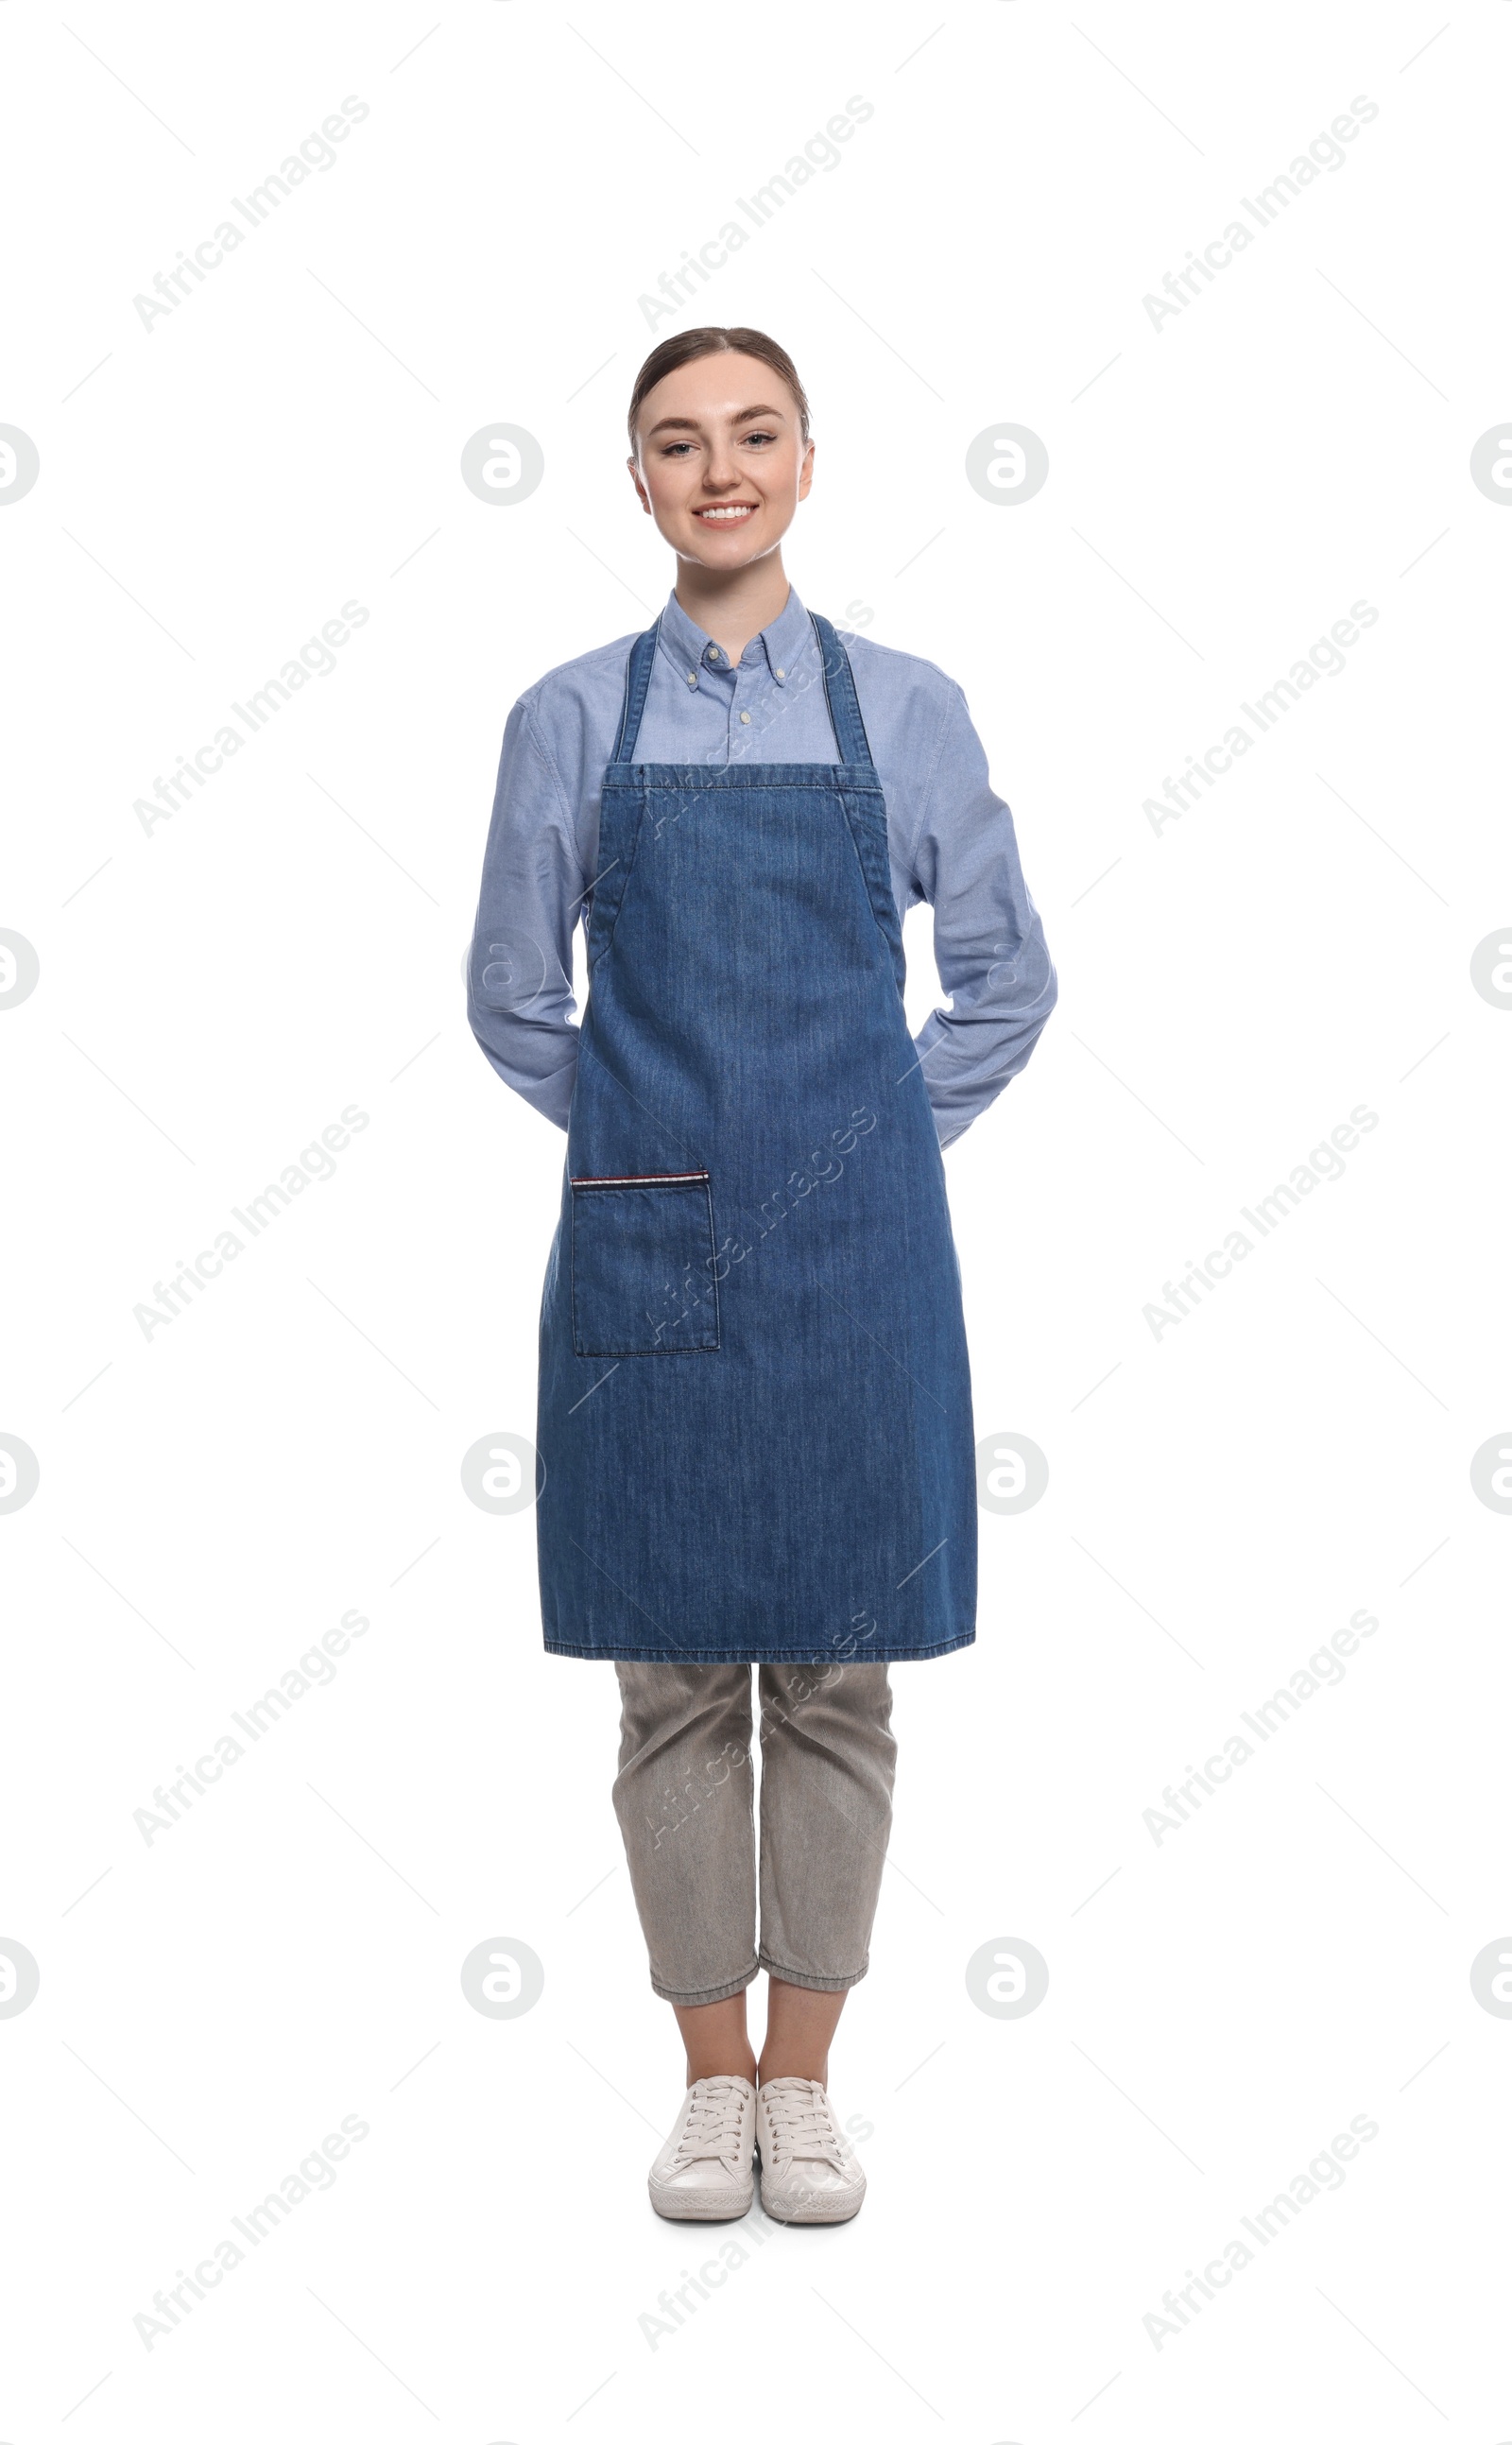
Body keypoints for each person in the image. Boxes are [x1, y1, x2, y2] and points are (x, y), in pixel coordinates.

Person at [467, 326, 1057, 2225]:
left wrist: (870, 1142)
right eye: (672, 442)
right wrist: (645, 1140)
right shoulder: (565, 717)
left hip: (855, 1258)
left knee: (829, 1682)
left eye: (749, 434)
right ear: (633, 481)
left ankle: (804, 2083)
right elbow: (508, 995)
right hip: (643, 1243)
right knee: (663, 1686)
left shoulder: (904, 708)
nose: (714, 469)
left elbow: (1002, 977)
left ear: (804, 461)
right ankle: (703, 2082)